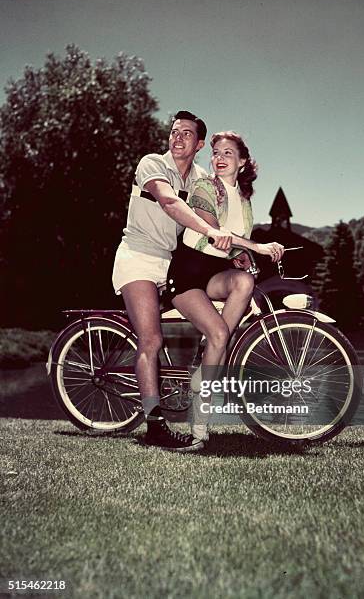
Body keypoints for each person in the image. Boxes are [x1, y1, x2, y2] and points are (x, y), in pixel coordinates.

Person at [112, 111, 233, 452]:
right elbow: (168, 202)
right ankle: (154, 426)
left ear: (199, 144)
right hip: (137, 256)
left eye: (186, 133)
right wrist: (211, 230)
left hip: (170, 263)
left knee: (213, 309)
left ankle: (197, 373)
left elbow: (215, 211)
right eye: (173, 131)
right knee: (151, 339)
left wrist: (233, 245)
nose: (177, 137)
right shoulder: (151, 163)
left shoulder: (200, 178)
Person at [166, 131, 285, 442]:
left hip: (215, 273)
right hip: (187, 276)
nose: (219, 157)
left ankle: (209, 351)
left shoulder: (244, 200)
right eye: (216, 152)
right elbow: (213, 230)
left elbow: (231, 243)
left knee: (245, 282)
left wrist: (241, 256)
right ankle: (198, 430)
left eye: (227, 153)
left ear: (242, 161)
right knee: (220, 334)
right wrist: (256, 247)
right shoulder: (204, 187)